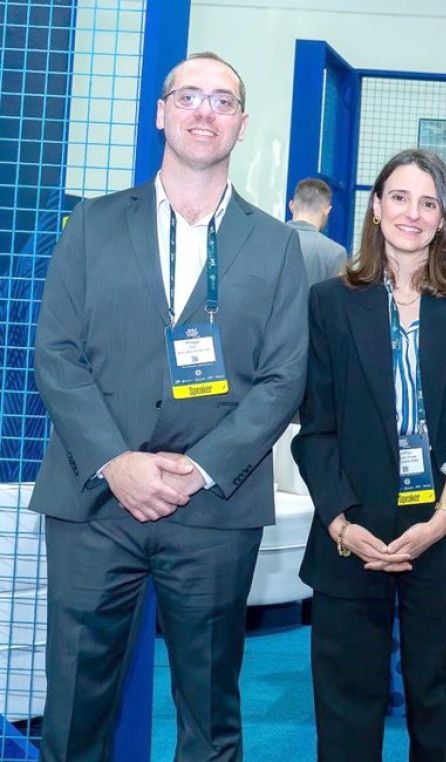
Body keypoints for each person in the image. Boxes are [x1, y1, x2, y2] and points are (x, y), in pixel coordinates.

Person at [30, 52, 307, 761]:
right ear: (161, 113)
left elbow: (284, 377)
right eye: (189, 96)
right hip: (95, 502)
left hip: (214, 507)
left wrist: (201, 469)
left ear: (242, 123)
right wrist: (116, 462)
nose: (204, 111)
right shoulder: (91, 224)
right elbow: (56, 353)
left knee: (210, 716)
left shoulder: (277, 245)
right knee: (74, 710)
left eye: (222, 100)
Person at [291, 148, 446, 762]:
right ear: (376, 207)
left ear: (444, 217)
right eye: (400, 198)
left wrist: (442, 517)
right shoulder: (330, 302)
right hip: (351, 528)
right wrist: (341, 524)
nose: (412, 213)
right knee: (345, 710)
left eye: (428, 202)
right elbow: (316, 429)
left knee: (441, 709)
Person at [287, 176, 348, 288]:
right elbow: (337, 296)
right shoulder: (335, 253)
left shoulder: (268, 240)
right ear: (327, 210)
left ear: (291, 206)